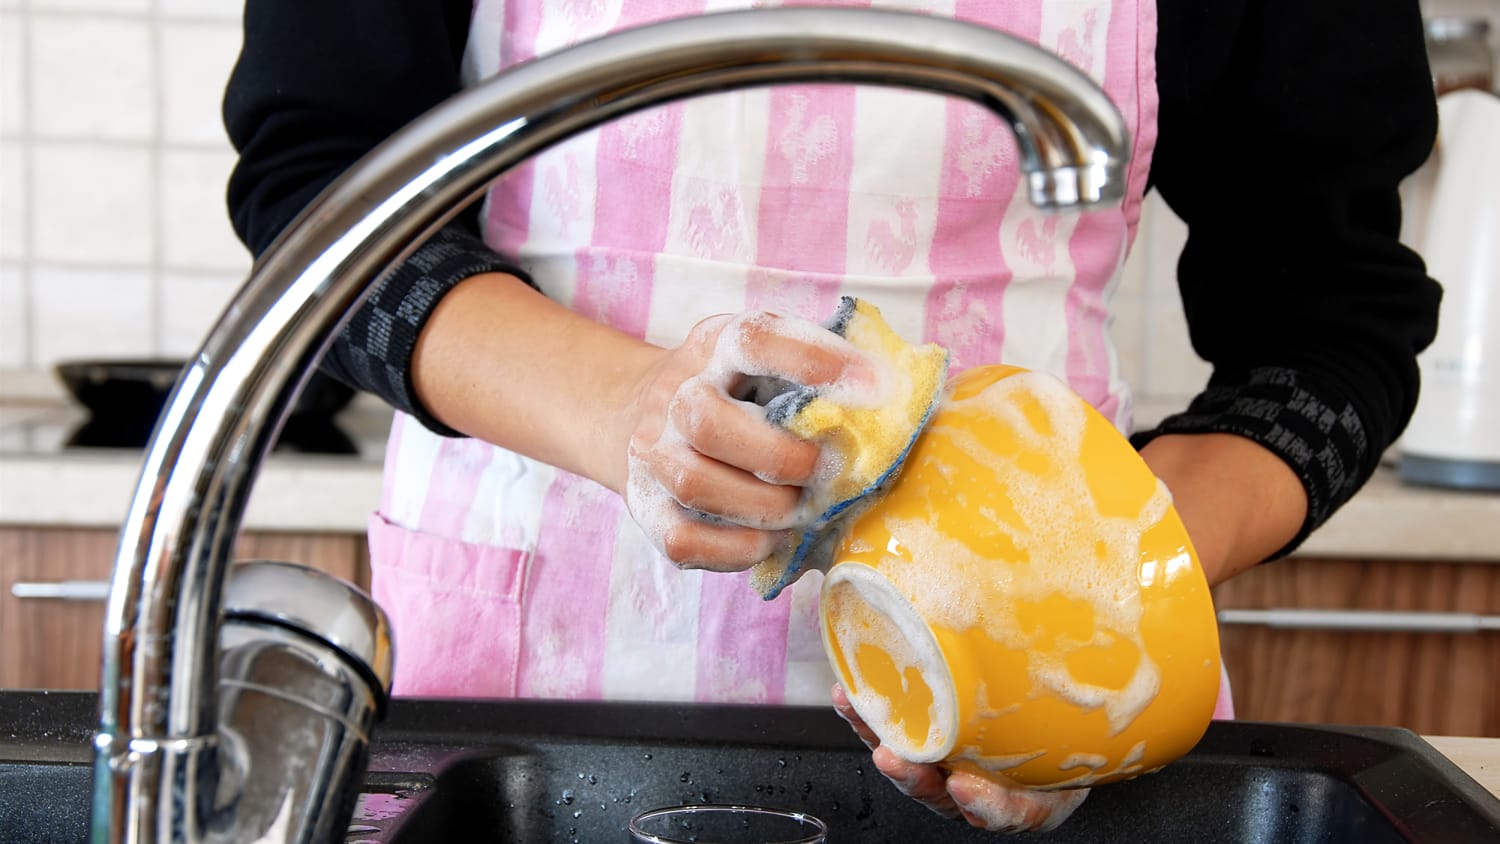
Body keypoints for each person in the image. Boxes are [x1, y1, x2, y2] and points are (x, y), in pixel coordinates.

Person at [223, 0, 1441, 832]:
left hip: (1031, 715)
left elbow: (1331, 320)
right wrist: (627, 410)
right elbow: (322, 197)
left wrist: (1108, 595)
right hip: (527, 684)